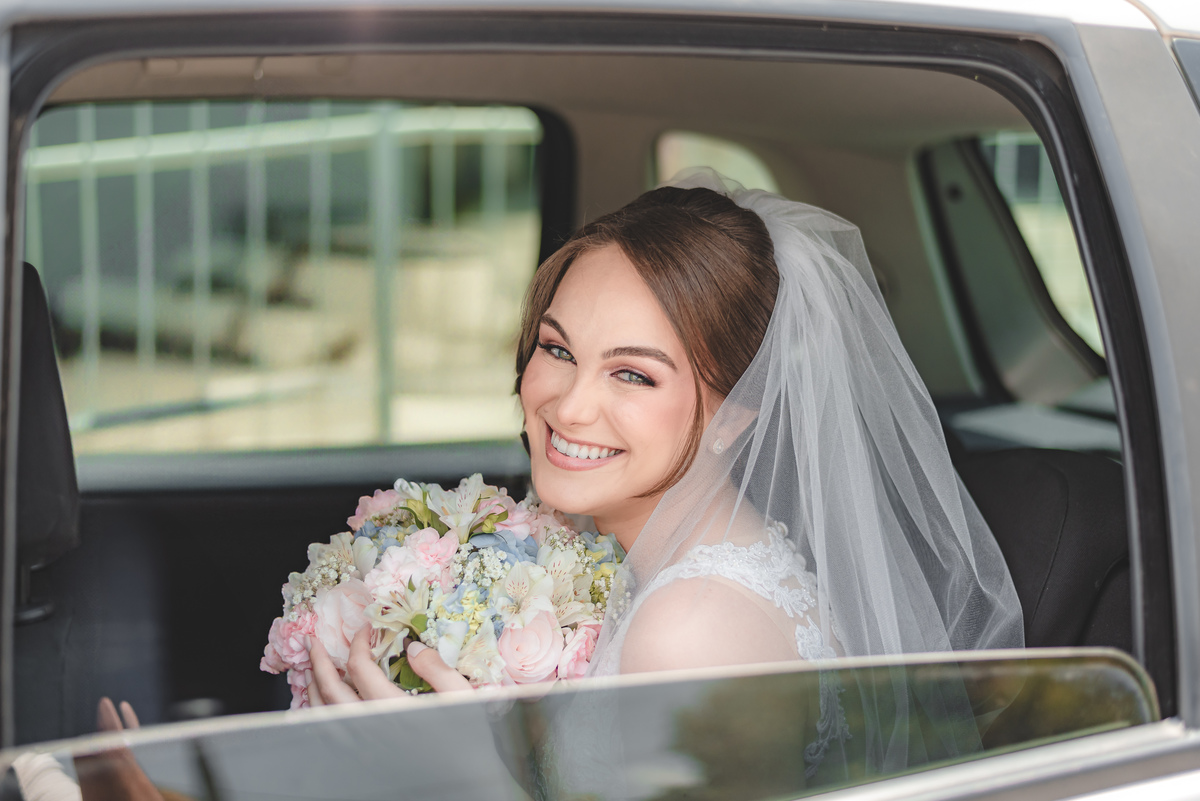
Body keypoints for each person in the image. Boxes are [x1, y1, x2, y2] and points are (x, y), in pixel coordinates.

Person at [308, 170, 1024, 775]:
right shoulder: (628, 549)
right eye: (557, 350)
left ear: (737, 412)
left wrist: (456, 772)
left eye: (632, 374)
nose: (569, 405)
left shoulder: (689, 632)